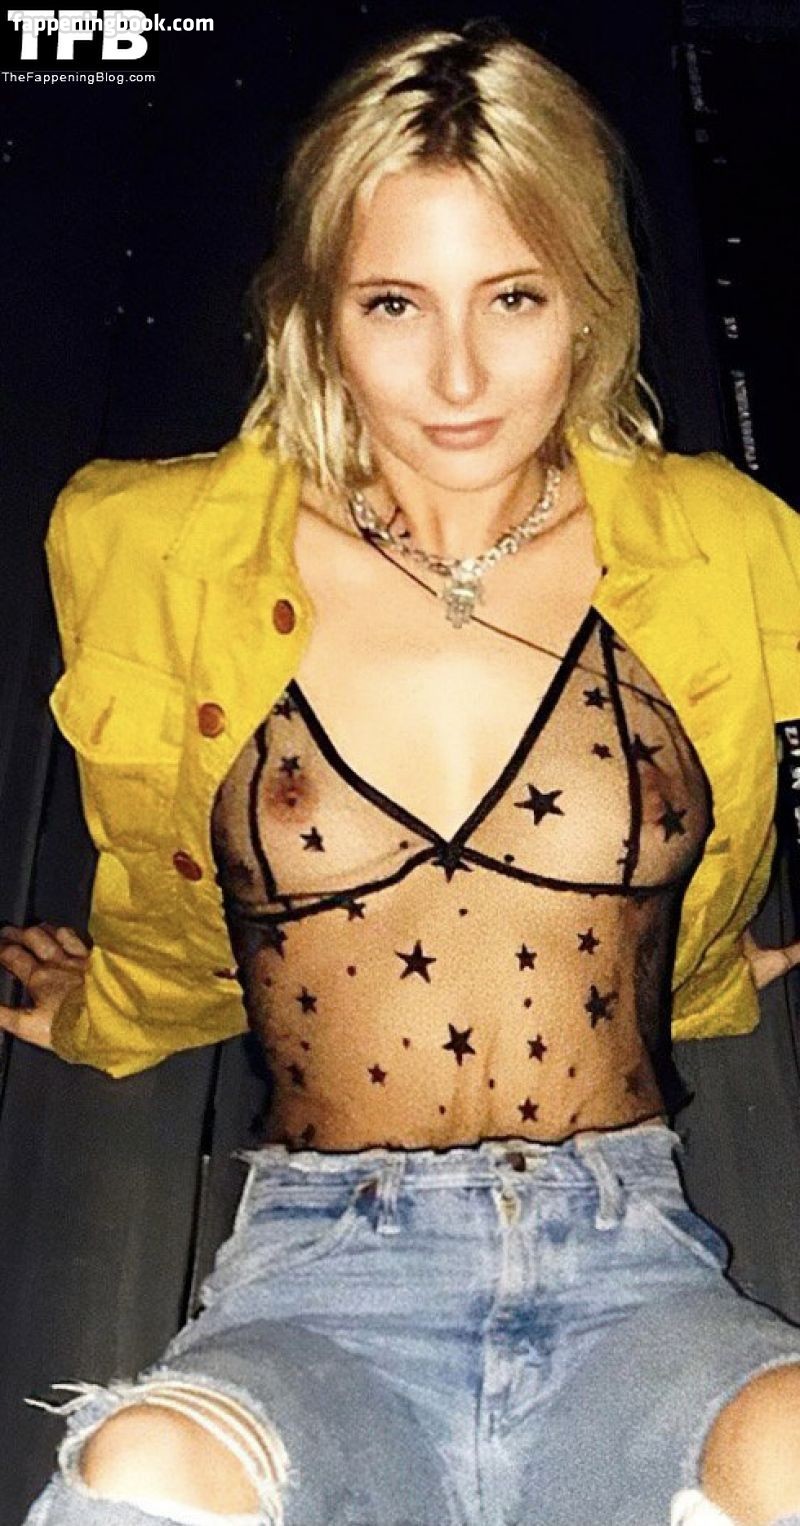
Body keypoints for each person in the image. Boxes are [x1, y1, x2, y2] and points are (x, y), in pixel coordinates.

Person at [4, 20, 800, 1526]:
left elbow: (706, 867)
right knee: (141, 1468)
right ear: (317, 312)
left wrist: (698, 969)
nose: (456, 376)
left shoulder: (733, 545)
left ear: (589, 301)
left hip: (633, 1263)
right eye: (393, 303)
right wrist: (112, 1011)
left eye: (514, 296)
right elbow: (172, 875)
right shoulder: (144, 548)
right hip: (322, 1274)